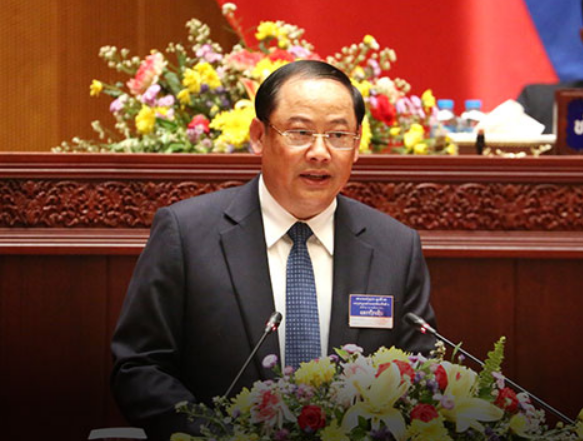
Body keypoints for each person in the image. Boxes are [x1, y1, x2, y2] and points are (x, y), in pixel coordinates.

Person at [111, 60, 436, 440]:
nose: (320, 152)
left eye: (338, 135)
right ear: (258, 136)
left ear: (357, 144)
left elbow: (421, 372)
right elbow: (140, 366)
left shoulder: (395, 246)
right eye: (300, 132)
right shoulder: (187, 234)